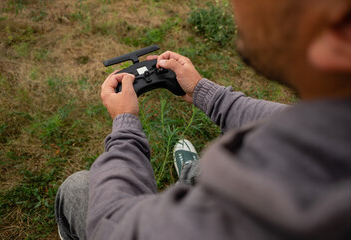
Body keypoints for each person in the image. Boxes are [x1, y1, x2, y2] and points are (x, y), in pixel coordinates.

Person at [55, 0, 351, 239]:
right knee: (201, 171)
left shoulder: (234, 220)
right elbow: (285, 120)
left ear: (340, 31)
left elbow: (113, 225)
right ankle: (193, 177)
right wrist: (205, 93)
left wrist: (124, 126)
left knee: (78, 188)